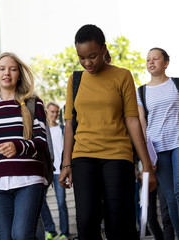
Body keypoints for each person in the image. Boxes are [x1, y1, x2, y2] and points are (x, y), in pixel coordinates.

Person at [58, 24, 157, 240]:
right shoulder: (75, 80)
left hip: (117, 156)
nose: (87, 63)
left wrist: (147, 166)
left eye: (92, 56)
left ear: (104, 49)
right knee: (86, 222)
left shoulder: (123, 76)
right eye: (81, 57)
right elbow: (69, 125)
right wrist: (66, 164)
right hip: (83, 156)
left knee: (119, 223)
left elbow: (132, 121)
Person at [0, 52, 47, 239]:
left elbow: (42, 142)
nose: (7, 73)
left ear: (19, 74)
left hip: (28, 181)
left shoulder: (32, 103)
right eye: (2, 69)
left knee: (21, 235)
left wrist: (18, 146)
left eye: (12, 69)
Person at [136, 47, 179, 237]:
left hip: (178, 144)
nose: (150, 62)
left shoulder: (176, 84)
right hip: (158, 149)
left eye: (155, 59)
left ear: (166, 63)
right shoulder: (141, 92)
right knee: (170, 199)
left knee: (178, 192)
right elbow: (142, 125)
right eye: (148, 60)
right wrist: (146, 157)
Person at [41, 102, 69, 240]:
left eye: (57, 112)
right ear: (46, 112)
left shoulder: (62, 129)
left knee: (61, 203)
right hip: (46, 171)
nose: (55, 114)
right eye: (52, 111)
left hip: (59, 171)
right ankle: (50, 230)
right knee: (40, 201)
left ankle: (65, 233)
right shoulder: (42, 130)